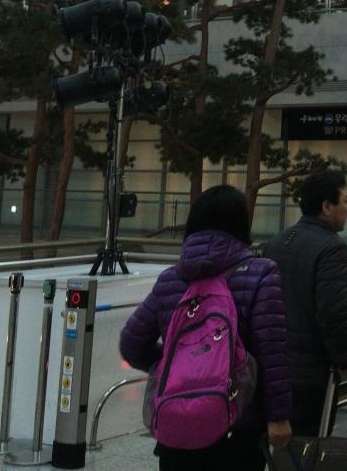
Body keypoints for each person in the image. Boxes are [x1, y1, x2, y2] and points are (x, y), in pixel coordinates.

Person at [119, 185, 291, 470]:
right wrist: (278, 416)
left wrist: (180, 368)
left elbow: (131, 343)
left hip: (176, 424)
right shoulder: (262, 273)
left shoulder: (170, 279)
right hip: (238, 425)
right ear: (241, 223)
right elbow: (271, 353)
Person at [264, 170, 347, 437]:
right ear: (326, 206)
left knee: (279, 449)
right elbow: (333, 312)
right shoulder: (331, 248)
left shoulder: (276, 243)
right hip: (310, 374)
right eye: (344, 201)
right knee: (310, 446)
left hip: (272, 370)